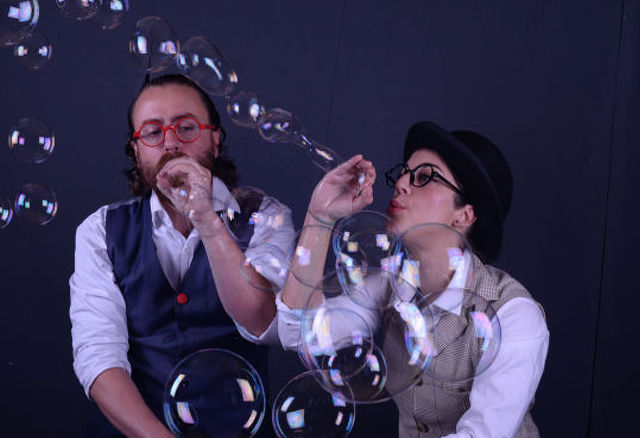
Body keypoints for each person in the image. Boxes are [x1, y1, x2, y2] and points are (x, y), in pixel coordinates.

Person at [277, 121, 549, 437]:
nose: (401, 183)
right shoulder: (388, 285)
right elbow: (296, 330)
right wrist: (321, 216)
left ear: (463, 215)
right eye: (404, 173)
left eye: (424, 177)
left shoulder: (513, 314)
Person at [69, 74, 294, 438]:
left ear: (215, 140)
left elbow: (261, 323)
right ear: (136, 150)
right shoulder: (99, 230)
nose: (171, 143)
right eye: (153, 132)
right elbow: (99, 359)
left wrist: (206, 218)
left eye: (186, 127)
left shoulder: (266, 217)